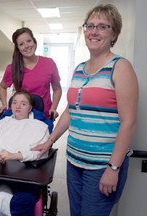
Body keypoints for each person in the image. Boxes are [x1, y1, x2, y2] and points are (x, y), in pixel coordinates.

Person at [32, 4, 139, 216]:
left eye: (102, 26)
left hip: (102, 166)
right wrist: (49, 141)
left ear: (114, 33)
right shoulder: (79, 68)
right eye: (89, 26)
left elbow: (129, 122)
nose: (94, 31)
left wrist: (113, 168)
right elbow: (71, 112)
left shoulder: (120, 67)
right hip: (74, 161)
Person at [0, 27, 62, 120]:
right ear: (18, 49)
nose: (26, 46)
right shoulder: (12, 68)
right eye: (21, 44)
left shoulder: (49, 63)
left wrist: (53, 108)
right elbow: (2, 87)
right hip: (20, 116)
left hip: (43, 115)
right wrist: (4, 105)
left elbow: (57, 89)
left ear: (34, 42)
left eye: (29, 41)